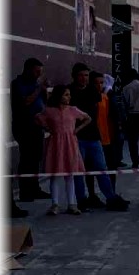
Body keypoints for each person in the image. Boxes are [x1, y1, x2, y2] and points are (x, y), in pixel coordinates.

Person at [73, 66, 129, 211]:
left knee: (101, 168)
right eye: (80, 75)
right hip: (77, 137)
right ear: (74, 76)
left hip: (94, 136)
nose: (83, 78)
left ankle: (111, 198)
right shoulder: (70, 91)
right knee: (80, 171)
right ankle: (81, 199)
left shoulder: (93, 91)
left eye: (86, 75)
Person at [36, 86, 88, 215]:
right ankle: (55, 204)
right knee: (55, 174)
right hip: (55, 144)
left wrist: (76, 130)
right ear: (58, 96)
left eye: (69, 94)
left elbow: (88, 118)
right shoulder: (50, 111)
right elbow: (38, 118)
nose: (69, 97)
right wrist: (48, 128)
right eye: (66, 94)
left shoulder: (73, 110)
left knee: (69, 175)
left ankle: (72, 204)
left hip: (70, 143)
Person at [10, 58, 51, 202]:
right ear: (27, 69)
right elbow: (26, 101)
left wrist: (44, 90)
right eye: (36, 71)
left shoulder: (36, 84)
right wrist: (39, 88)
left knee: (36, 158)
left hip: (37, 126)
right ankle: (25, 192)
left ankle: (35, 189)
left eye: (40, 72)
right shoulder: (17, 84)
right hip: (24, 126)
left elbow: (43, 103)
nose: (38, 75)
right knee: (27, 159)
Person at [121, 70, 139, 169]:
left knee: (133, 141)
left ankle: (135, 161)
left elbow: (124, 105)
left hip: (132, 116)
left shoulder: (125, 88)